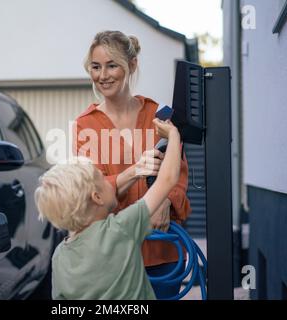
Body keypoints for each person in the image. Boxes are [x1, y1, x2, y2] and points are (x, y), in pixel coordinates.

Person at [73, 30, 192, 298]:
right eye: (96, 67)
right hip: (113, 257)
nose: (103, 75)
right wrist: (135, 171)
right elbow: (94, 191)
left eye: (112, 65)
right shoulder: (85, 125)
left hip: (163, 252)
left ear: (132, 65)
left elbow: (179, 173)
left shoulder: (158, 115)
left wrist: (164, 200)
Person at [35, 118, 181, 299]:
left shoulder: (59, 256)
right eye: (102, 179)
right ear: (97, 197)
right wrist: (173, 135)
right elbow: (168, 179)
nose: (109, 181)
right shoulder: (120, 228)